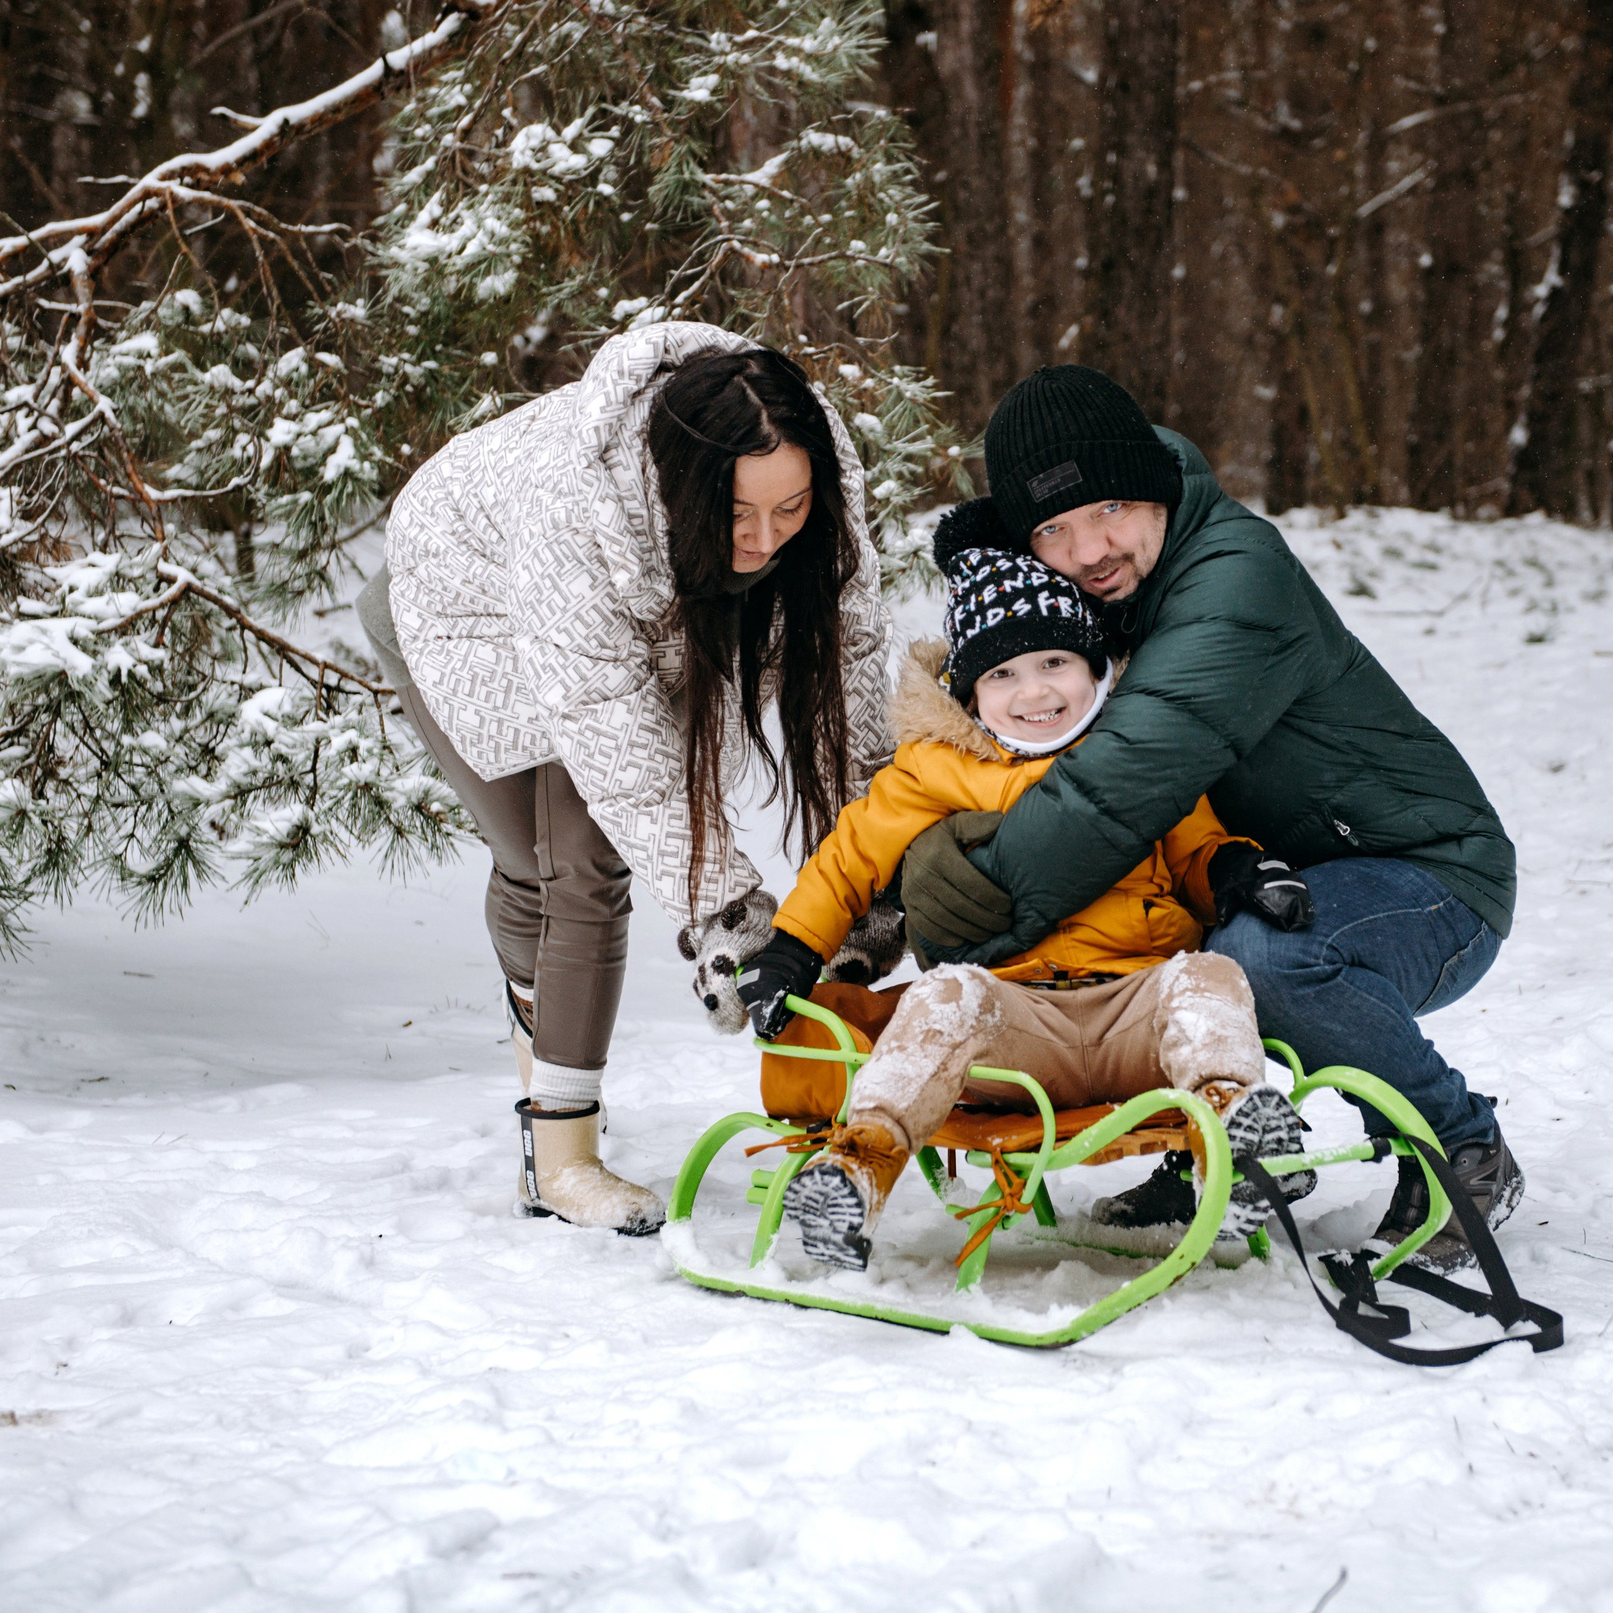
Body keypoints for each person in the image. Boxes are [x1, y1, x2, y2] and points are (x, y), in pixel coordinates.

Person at [895, 365, 1521, 1274]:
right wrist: (903, 862)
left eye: (1108, 506)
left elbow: (1117, 783)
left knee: (1263, 959)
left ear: (1148, 483)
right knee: (1156, 936)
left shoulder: (1233, 579)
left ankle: (1464, 1146)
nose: (1089, 546)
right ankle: (1210, 1153)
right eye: (1053, 530)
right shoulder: (1114, 594)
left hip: (1431, 878)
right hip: (1265, 870)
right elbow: (1011, 745)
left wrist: (979, 897)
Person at [362, 322, 906, 1234]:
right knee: (574, 861)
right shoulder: (579, 518)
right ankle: (561, 1160)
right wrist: (730, 922)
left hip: (627, 612)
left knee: (564, 864)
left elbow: (847, 691)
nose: (768, 538)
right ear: (690, 491)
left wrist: (872, 895)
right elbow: (633, 770)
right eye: (740, 515)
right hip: (454, 604)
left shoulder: (820, 492)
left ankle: (548, 1057)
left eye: (790, 509)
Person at [730, 513, 1318, 1271]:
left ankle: (1237, 1144)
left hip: (1134, 1008)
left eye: (1053, 663)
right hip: (1014, 1029)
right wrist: (790, 948)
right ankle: (855, 1172)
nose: (1033, 691)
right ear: (971, 694)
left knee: (1210, 979)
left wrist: (1236, 867)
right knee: (942, 996)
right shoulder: (935, 767)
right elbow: (851, 857)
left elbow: (1196, 843)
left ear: (1095, 667)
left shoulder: (1134, 752)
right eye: (1002, 674)